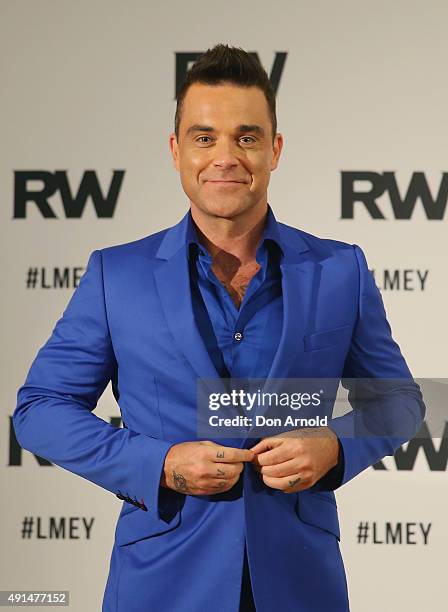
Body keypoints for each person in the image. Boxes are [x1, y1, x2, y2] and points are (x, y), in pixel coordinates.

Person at [13, 44, 425, 612]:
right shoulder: (117, 275)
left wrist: (334, 446)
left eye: (246, 137)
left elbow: (401, 401)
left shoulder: (338, 270)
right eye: (204, 137)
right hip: (161, 584)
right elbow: (39, 409)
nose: (225, 156)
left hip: (300, 584)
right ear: (176, 150)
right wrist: (158, 464)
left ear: (275, 150)